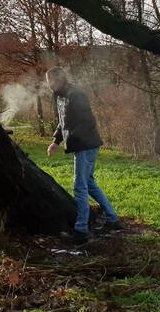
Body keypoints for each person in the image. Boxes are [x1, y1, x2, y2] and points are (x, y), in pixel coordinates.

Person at [45, 67, 121, 243]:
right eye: (48, 81)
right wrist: (56, 141)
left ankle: (81, 231)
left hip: (86, 145)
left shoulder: (75, 94)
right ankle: (113, 219)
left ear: (60, 79)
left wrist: (72, 138)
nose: (49, 85)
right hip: (83, 145)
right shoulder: (61, 96)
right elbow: (63, 121)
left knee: (80, 187)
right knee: (89, 184)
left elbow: (88, 121)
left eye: (51, 81)